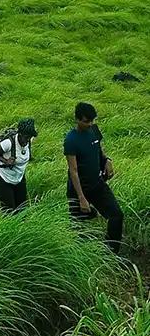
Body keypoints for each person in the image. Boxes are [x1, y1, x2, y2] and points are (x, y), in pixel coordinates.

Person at [64, 102, 123, 254]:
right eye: (86, 121)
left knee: (116, 216)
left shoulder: (94, 130)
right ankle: (78, 257)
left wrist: (107, 161)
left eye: (92, 120)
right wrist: (81, 197)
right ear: (77, 119)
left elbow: (99, 151)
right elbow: (73, 170)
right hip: (78, 188)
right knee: (78, 228)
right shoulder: (71, 139)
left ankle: (110, 254)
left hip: (97, 184)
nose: (89, 124)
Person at [0, 118, 37, 212]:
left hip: (19, 178)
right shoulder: (8, 143)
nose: (27, 140)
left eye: (29, 137)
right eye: (25, 137)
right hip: (3, 179)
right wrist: (5, 161)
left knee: (22, 209)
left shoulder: (29, 141)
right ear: (20, 134)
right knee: (9, 211)